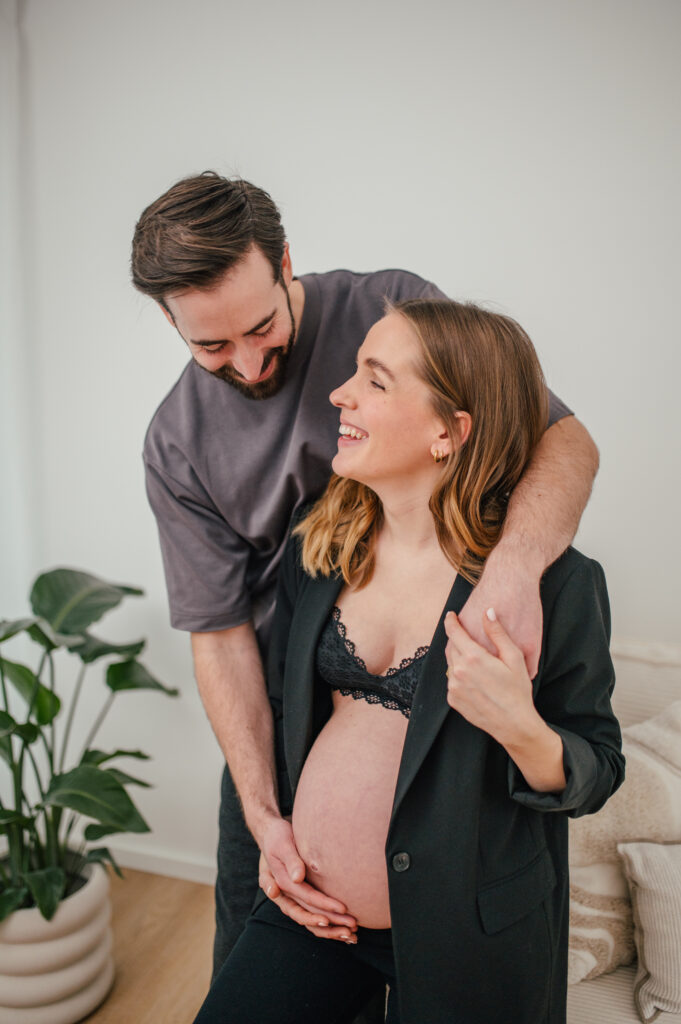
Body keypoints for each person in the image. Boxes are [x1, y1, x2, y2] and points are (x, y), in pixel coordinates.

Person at [131, 173, 599, 1001]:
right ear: (171, 322)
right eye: (210, 347)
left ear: (284, 263)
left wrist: (512, 572)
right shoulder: (179, 444)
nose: (249, 363)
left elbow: (558, 439)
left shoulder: (390, 314)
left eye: (261, 327)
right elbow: (220, 636)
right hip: (283, 713)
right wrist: (264, 810)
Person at [192, 298, 624, 1024]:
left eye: (375, 380)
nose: (340, 394)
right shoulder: (319, 543)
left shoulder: (555, 585)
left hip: (469, 936)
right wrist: (274, 830)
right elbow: (281, 707)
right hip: (315, 913)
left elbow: (597, 769)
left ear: (448, 431)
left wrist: (518, 726)